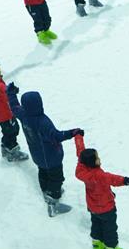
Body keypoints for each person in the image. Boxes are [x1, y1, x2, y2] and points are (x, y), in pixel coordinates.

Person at [7, 86, 81, 217]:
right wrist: (73, 132)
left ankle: (46, 190)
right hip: (51, 157)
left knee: (43, 172)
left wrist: (11, 93)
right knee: (56, 178)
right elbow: (57, 136)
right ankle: (53, 202)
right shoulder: (43, 122)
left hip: (37, 155)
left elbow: (14, 106)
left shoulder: (23, 114)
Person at [74, 131, 129, 249]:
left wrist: (78, 136)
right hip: (107, 208)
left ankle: (97, 247)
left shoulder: (81, 170)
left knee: (96, 225)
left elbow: (80, 152)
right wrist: (128, 180)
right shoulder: (100, 176)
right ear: (93, 162)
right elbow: (114, 179)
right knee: (110, 229)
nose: (99, 159)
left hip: (93, 207)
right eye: (97, 158)